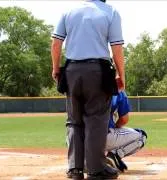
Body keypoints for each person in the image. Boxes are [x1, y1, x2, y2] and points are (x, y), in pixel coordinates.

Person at [51, 0, 125, 179]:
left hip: (71, 71)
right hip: (97, 71)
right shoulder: (111, 12)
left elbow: (56, 43)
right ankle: (96, 169)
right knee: (96, 120)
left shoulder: (68, 11)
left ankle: (75, 169)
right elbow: (116, 48)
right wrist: (121, 74)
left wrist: (56, 68)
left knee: (74, 120)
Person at [105, 78, 147, 172]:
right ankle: (115, 155)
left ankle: (77, 163)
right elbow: (124, 119)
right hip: (104, 136)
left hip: (80, 139)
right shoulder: (117, 87)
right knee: (142, 136)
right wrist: (115, 126)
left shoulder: (83, 84)